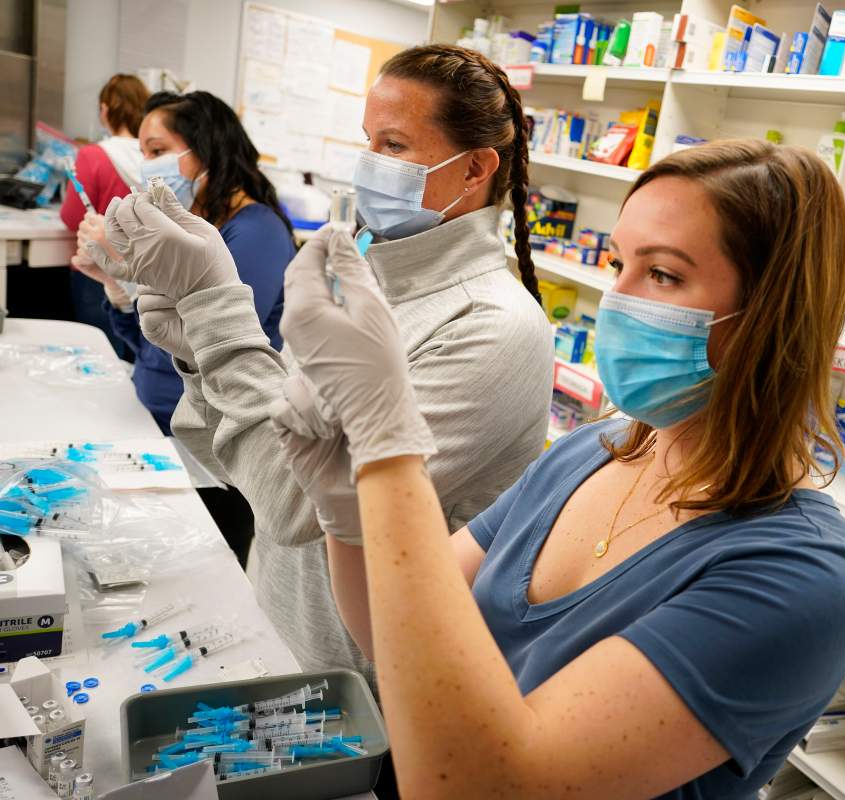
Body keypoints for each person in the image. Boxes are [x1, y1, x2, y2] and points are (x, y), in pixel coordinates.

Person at [108, 137, 845, 797]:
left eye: (665, 275)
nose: (620, 299)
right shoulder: (590, 453)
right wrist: (344, 510)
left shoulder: (797, 575)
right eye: (620, 263)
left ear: (776, 316)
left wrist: (388, 448)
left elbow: (492, 784)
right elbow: (391, 632)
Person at [91, 46, 555, 686]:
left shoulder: (494, 329)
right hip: (277, 630)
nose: (368, 166)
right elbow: (244, 461)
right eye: (368, 141)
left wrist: (216, 309)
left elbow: (297, 507)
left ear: (475, 168)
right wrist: (195, 348)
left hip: (363, 688)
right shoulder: (360, 278)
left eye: (393, 144)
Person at [77, 90, 295, 565]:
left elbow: (221, 347)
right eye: (142, 154)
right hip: (164, 428)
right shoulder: (200, 224)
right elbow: (157, 347)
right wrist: (119, 288)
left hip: (215, 443)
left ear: (204, 148)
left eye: (157, 152)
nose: (146, 166)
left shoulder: (254, 231)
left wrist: (132, 281)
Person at [61, 74, 148, 357]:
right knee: (137, 354)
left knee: (101, 356)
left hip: (98, 270)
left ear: (106, 109)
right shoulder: (156, 157)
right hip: (143, 271)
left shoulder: (93, 155)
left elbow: (72, 216)